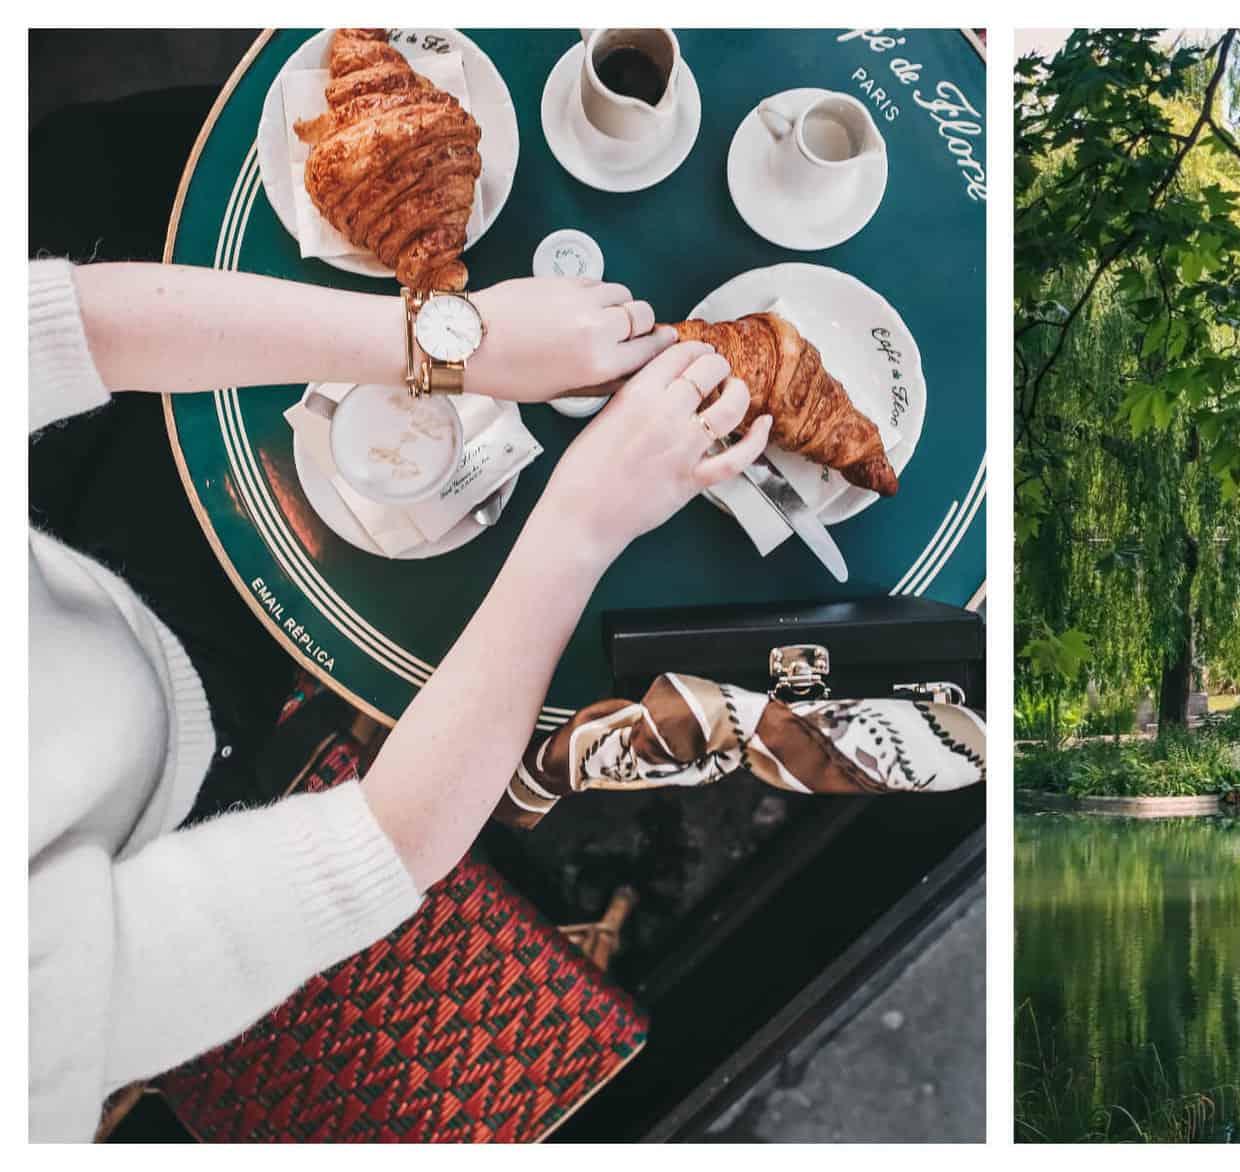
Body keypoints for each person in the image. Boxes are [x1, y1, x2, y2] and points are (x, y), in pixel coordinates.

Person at [28, 259, 772, 1141]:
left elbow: (58, 329)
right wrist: (586, 517)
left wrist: (452, 342)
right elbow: (385, 841)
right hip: (182, 714)